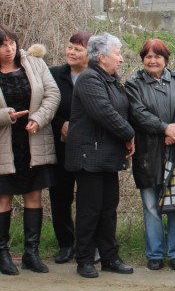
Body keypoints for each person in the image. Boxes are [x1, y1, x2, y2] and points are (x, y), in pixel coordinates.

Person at [65, 32, 136, 278]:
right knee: (89, 210)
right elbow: (104, 113)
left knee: (108, 209)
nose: (121, 59)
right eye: (118, 53)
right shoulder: (89, 80)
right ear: (103, 56)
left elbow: (123, 110)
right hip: (89, 157)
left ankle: (109, 257)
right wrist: (129, 134)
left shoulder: (111, 80)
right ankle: (84, 259)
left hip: (107, 156)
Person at [126, 39, 175, 272]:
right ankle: (155, 254)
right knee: (150, 206)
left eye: (157, 56)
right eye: (148, 56)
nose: (152, 60)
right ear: (143, 59)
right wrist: (163, 128)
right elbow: (138, 113)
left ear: (166, 59)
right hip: (147, 152)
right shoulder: (133, 84)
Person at [0, 26, 60, 275]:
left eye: (11, 43)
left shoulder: (34, 63)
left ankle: (31, 253)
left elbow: (52, 94)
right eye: (2, 45)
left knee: (33, 195)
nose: (9, 48)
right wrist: (7, 115)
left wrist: (38, 118)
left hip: (33, 141)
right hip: (5, 144)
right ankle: (2, 253)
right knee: (3, 198)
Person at [48, 30, 91, 265]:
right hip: (61, 146)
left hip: (89, 149)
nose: (71, 52)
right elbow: (44, 106)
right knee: (60, 197)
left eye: (78, 48)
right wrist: (60, 124)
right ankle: (66, 244)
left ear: (90, 54)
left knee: (88, 200)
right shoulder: (54, 75)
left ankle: (88, 244)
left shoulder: (97, 76)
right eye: (70, 47)